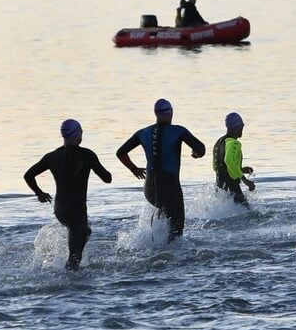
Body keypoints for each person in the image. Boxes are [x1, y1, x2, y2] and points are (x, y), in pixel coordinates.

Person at [23, 119, 114, 270]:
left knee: (85, 232)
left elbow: (28, 175)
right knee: (75, 256)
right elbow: (107, 178)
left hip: (60, 210)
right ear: (78, 134)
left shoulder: (52, 157)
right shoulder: (87, 155)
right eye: (81, 133)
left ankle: (64, 267)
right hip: (77, 209)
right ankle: (70, 286)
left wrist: (39, 193)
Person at [117, 99, 207, 242]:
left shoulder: (143, 132)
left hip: (150, 188)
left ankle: (154, 245)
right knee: (176, 231)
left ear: (156, 113)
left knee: (163, 211)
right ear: (171, 112)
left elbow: (120, 153)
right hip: (169, 185)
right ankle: (171, 258)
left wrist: (134, 169)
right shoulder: (178, 131)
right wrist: (196, 154)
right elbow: (201, 149)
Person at [213, 112, 255, 207]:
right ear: (236, 128)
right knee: (247, 213)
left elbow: (216, 166)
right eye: (241, 127)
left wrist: (240, 170)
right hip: (232, 186)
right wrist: (245, 180)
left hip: (219, 186)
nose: (242, 130)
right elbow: (228, 160)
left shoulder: (219, 142)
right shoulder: (234, 143)